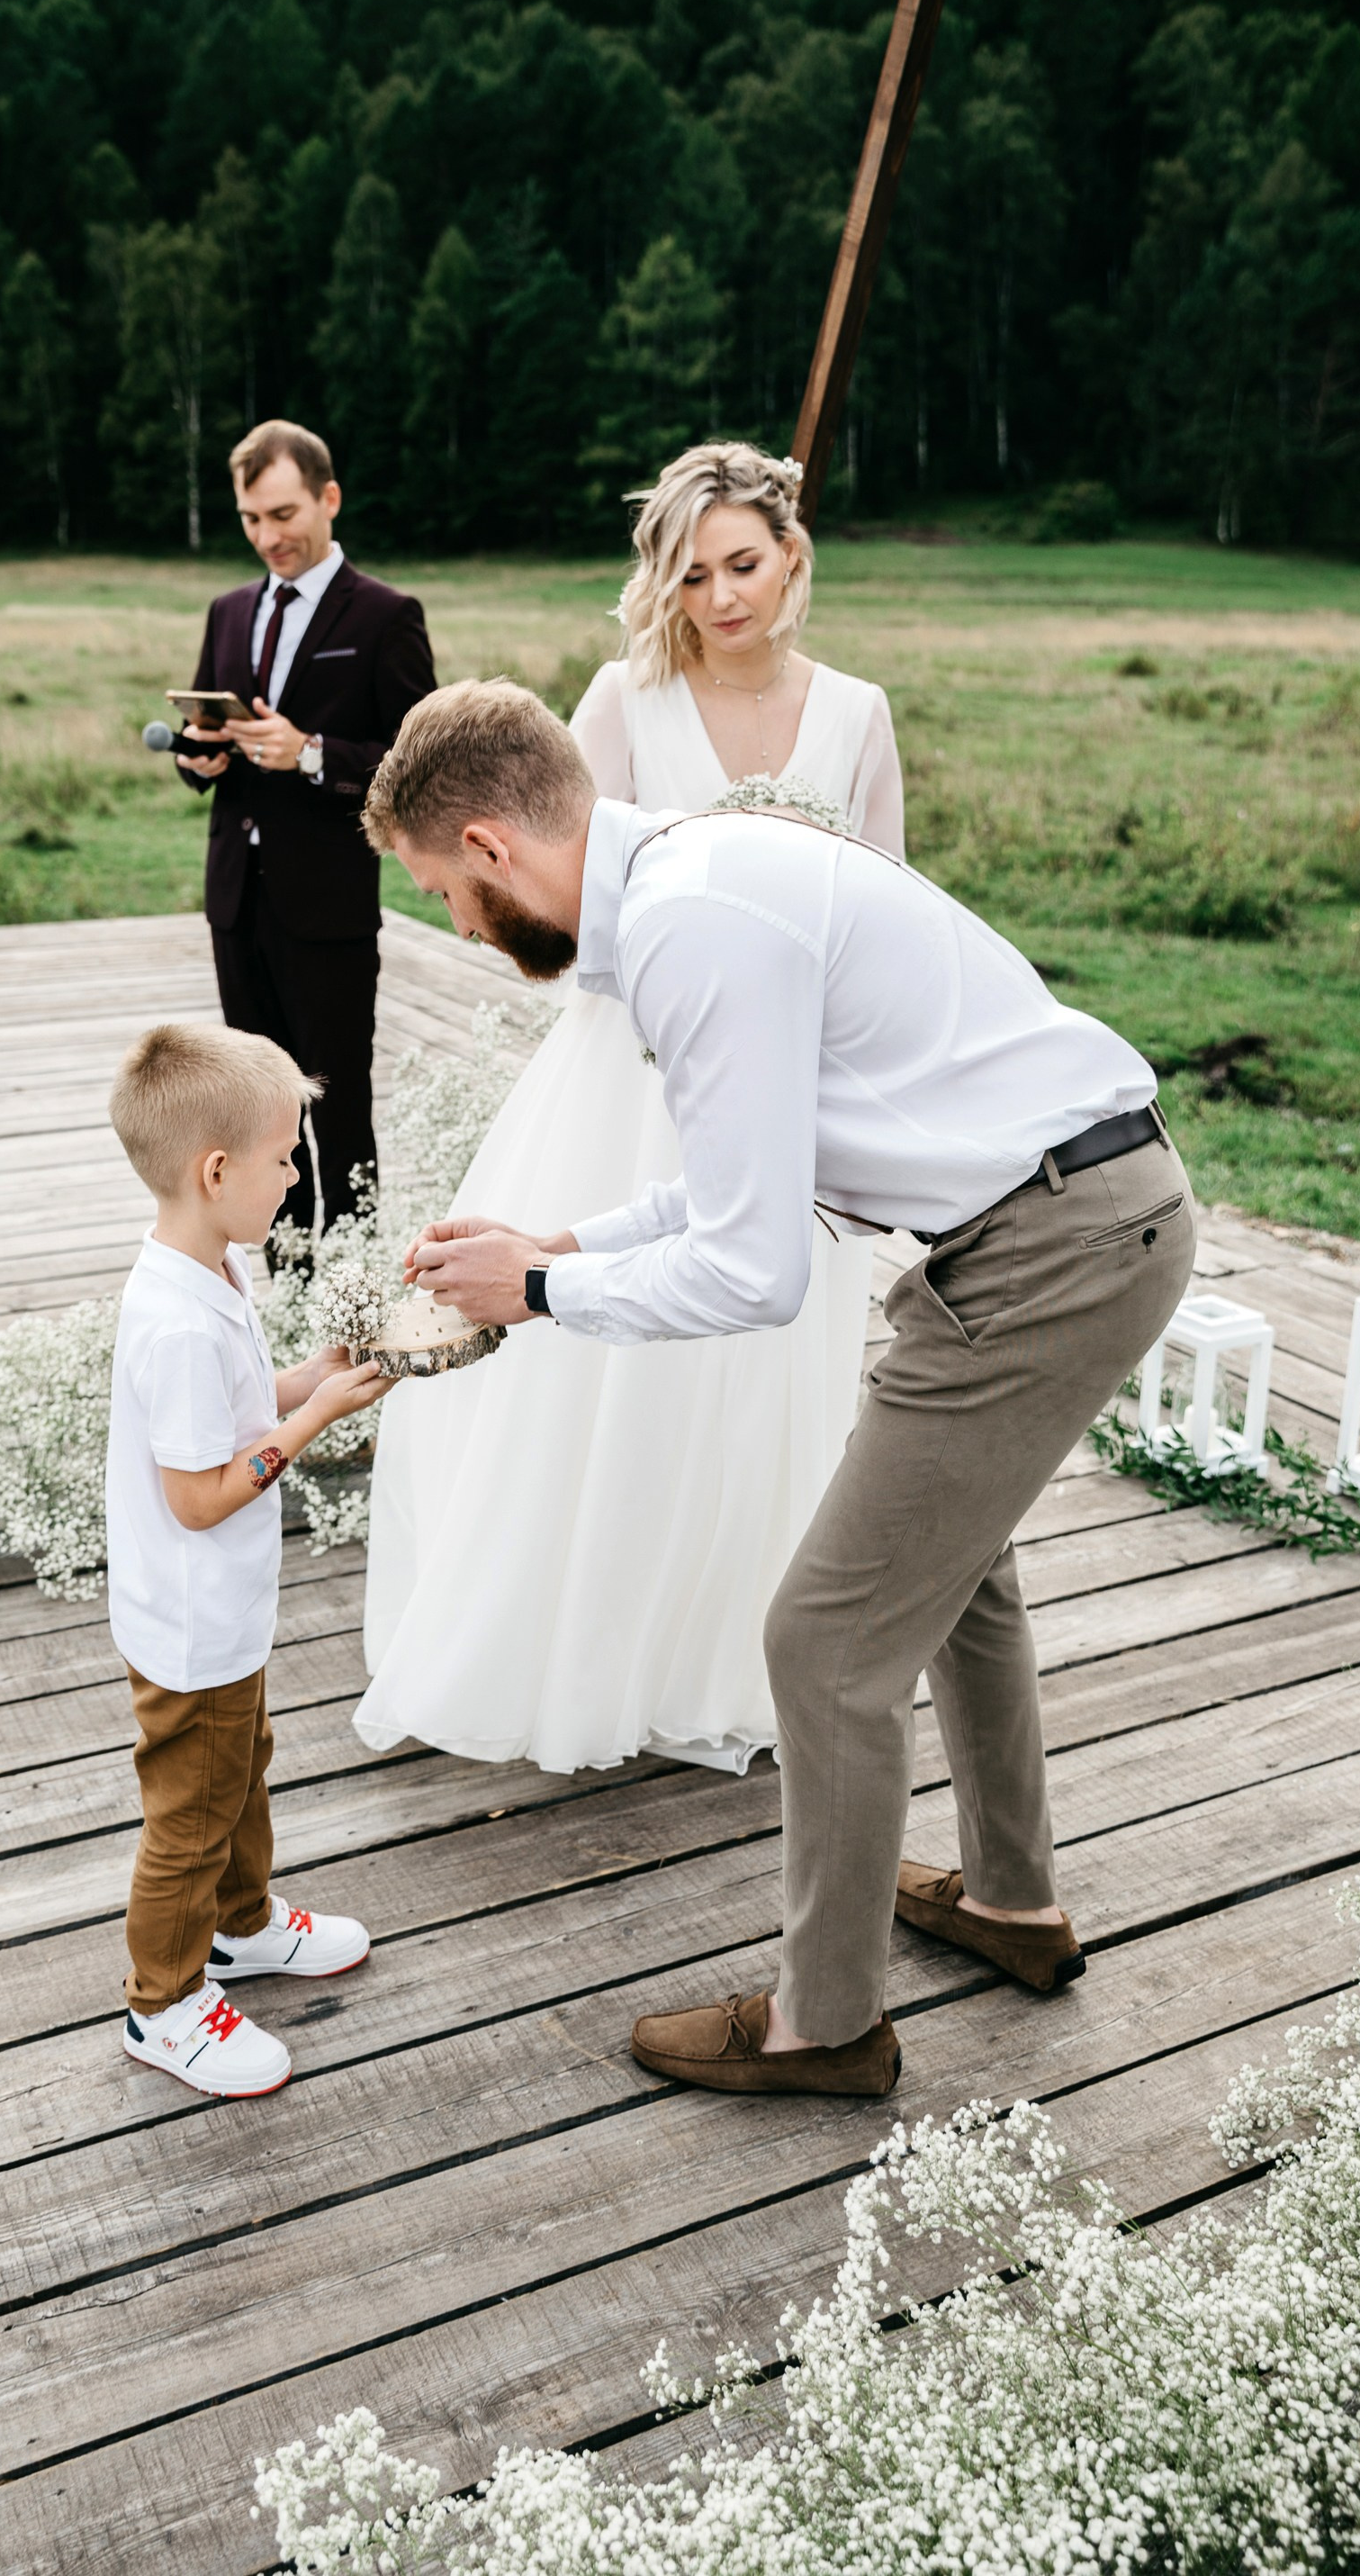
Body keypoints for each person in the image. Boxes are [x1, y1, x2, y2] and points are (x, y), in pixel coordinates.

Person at [363, 682, 1196, 2100]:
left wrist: (546, 1296)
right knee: (959, 1569)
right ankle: (1010, 1902)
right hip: (1074, 1219)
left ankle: (827, 2025)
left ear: (495, 845)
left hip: (1048, 1250)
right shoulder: (697, 880)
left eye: (444, 890)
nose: (455, 922)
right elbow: (754, 1171)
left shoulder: (694, 926)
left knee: (821, 1643)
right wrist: (567, 1239)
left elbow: (757, 1272)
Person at [358, 444, 903, 1775]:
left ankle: (732, 1653)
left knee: (771, 1372)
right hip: (630, 1071)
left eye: (746, 564)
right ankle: (587, 1646)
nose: (723, 597)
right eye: (694, 572)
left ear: (793, 558)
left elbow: (887, 897)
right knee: (616, 1388)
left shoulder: (858, 714)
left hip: (791, 1073)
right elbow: (557, 890)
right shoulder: (624, 698)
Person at [105, 1021, 396, 2097]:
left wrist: (304, 1376)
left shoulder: (208, 1268)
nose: (292, 1175)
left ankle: (241, 1924)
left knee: (241, 1770)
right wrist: (311, 1419)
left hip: (220, 1613)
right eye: (283, 1158)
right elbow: (197, 1496)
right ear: (215, 1170)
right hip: (191, 1617)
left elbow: (232, 1412)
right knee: (189, 1817)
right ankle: (164, 2004)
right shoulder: (177, 1322)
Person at [179, 420, 437, 1237]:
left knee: (339, 1106)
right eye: (252, 519)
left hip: (327, 905)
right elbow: (196, 739)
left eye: (283, 514)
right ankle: (284, 1287)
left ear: (329, 498)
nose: (269, 537)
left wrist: (314, 754)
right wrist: (200, 759)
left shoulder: (387, 615)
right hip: (236, 900)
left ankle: (355, 1284)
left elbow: (415, 760)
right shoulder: (227, 611)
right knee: (258, 1113)